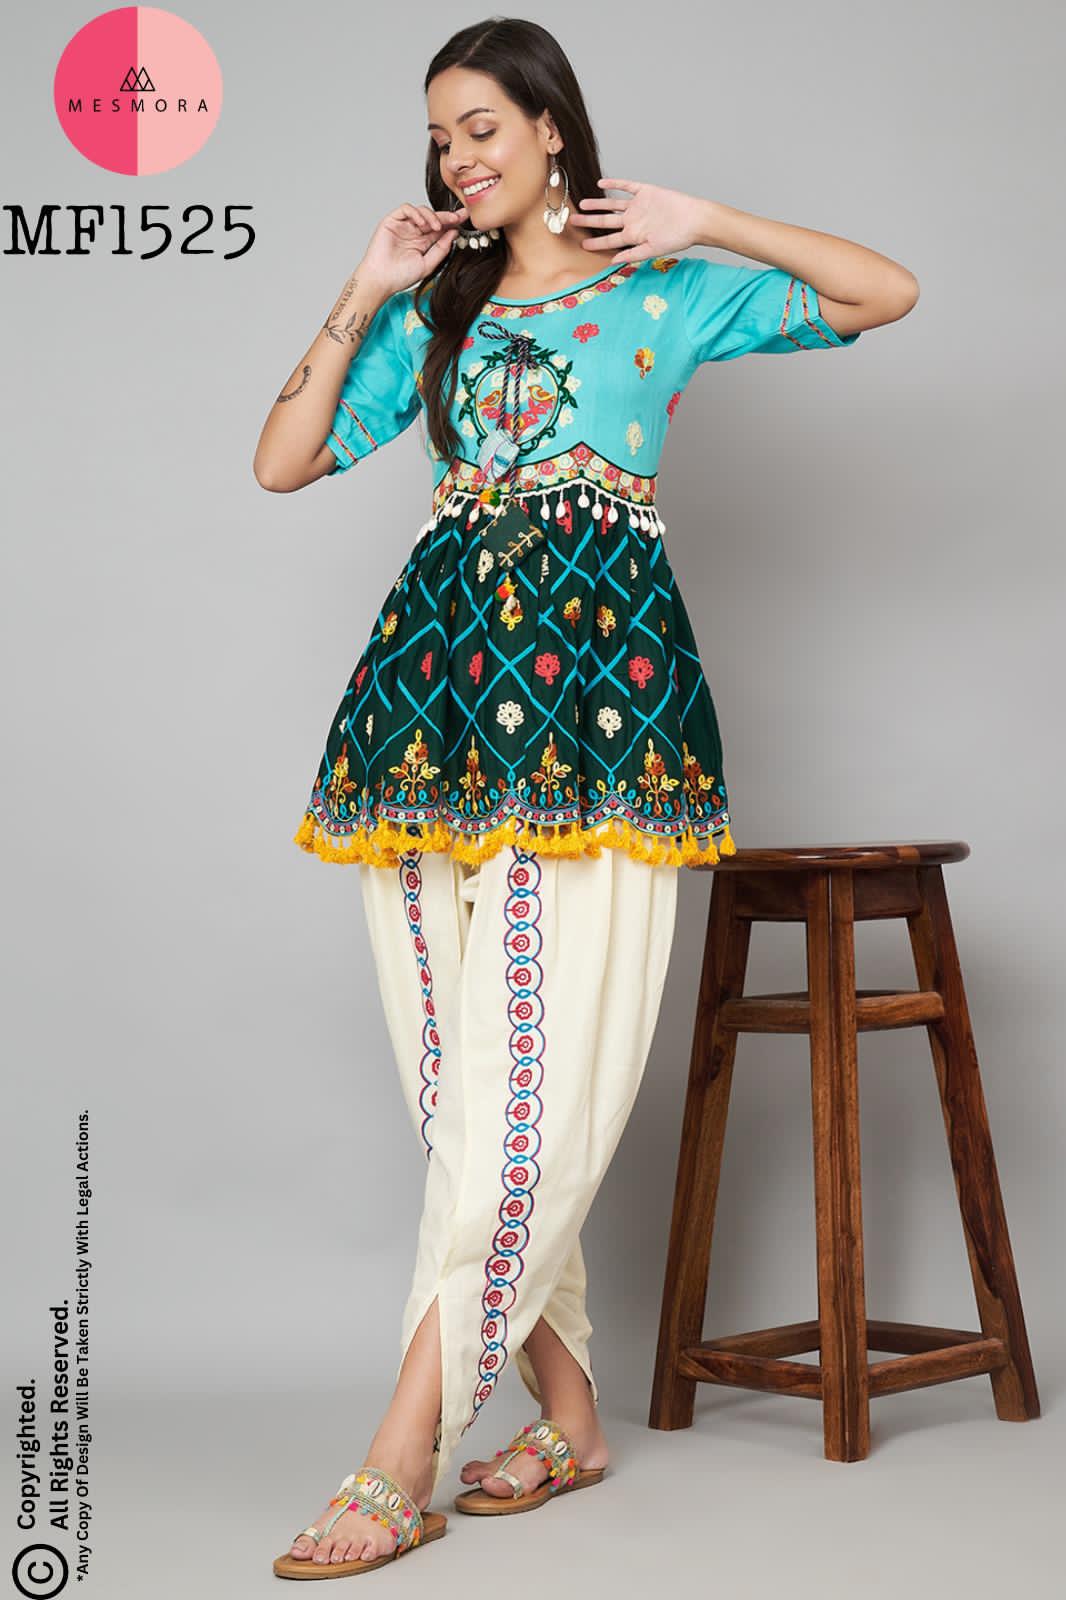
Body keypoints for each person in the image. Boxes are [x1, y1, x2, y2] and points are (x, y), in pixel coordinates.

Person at [254, 14, 916, 1580]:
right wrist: (364, 287)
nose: (455, 160)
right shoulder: (435, 315)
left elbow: (879, 291)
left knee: (522, 1099)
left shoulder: (662, 290)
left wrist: (706, 218)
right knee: (459, 1094)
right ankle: (567, 1420)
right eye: (439, 137)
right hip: (421, 720)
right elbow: (281, 461)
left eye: (481, 126)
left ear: (552, 127)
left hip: (598, 726)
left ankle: (400, 1452)